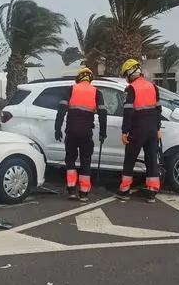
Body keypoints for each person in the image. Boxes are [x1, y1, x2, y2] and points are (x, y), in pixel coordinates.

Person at [54, 67, 107, 202]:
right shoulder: (97, 92)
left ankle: (71, 189)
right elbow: (102, 114)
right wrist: (102, 133)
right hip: (86, 133)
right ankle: (84, 192)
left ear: (78, 78)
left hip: (71, 131)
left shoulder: (71, 89)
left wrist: (57, 128)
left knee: (70, 159)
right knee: (85, 161)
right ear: (90, 79)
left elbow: (61, 110)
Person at [116, 59, 163, 203]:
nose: (126, 78)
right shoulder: (153, 86)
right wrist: (158, 128)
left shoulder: (130, 89)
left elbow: (128, 112)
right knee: (151, 159)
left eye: (126, 75)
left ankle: (124, 191)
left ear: (130, 73)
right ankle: (152, 191)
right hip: (152, 129)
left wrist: (125, 131)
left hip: (138, 128)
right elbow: (158, 109)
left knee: (129, 159)